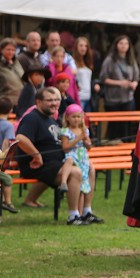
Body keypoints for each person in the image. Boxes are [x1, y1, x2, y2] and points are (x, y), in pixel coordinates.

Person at [13, 87, 85, 223]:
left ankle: (86, 212)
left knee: (88, 167)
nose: (54, 103)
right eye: (50, 100)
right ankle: (74, 216)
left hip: (55, 163)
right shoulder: (32, 118)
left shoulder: (51, 119)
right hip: (37, 165)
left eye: (57, 100)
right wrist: (36, 155)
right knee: (75, 172)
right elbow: (21, 138)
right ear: (38, 102)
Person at [58, 104, 103, 224]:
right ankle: (63, 183)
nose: (76, 119)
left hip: (82, 158)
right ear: (67, 118)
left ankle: (85, 212)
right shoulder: (65, 131)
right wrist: (78, 138)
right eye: (74, 117)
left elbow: (88, 147)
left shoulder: (84, 130)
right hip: (72, 156)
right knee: (69, 161)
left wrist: (87, 142)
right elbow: (65, 148)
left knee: (84, 184)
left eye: (79, 116)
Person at [99, 35, 140, 141]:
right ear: (116, 45)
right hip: (113, 99)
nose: (123, 46)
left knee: (126, 126)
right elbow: (103, 78)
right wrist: (119, 83)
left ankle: (126, 149)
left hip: (128, 98)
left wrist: (134, 83)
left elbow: (136, 77)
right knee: (114, 127)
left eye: (126, 43)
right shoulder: (110, 60)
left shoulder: (131, 59)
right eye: (121, 43)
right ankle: (114, 149)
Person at [0, 97, 17, 214]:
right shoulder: (8, 125)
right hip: (1, 157)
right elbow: (7, 143)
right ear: (10, 110)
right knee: (7, 179)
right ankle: (8, 202)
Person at [72, 36, 97, 112]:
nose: (83, 48)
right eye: (81, 45)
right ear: (76, 47)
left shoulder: (88, 62)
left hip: (89, 96)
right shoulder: (72, 62)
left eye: (85, 46)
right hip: (79, 96)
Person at [0, 38, 23, 104]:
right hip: (5, 103)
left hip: (20, 102)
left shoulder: (17, 62)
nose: (11, 52)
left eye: (13, 50)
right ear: (1, 50)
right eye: (8, 50)